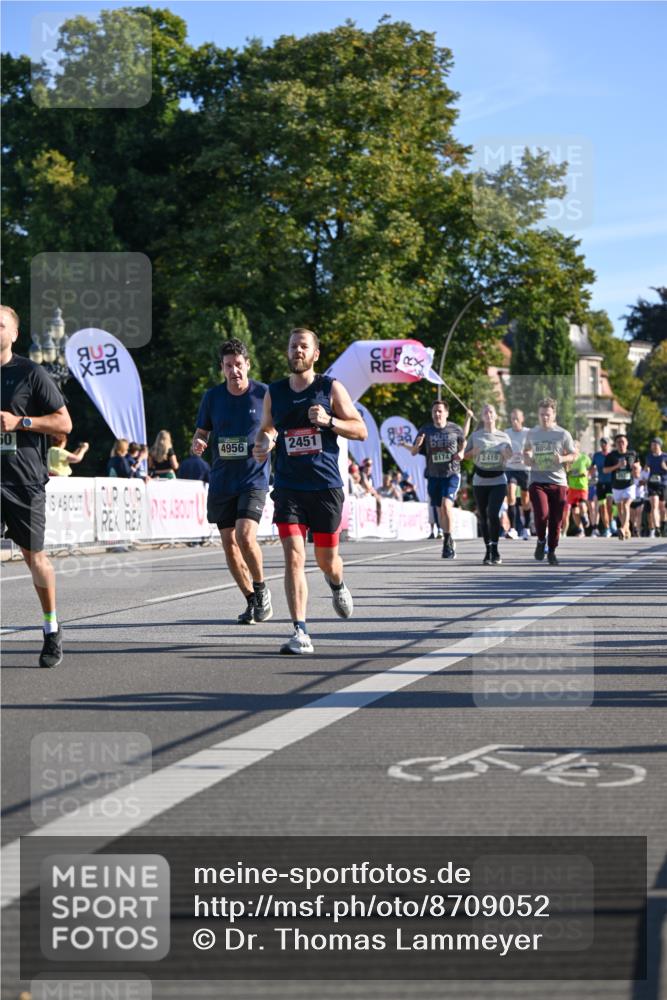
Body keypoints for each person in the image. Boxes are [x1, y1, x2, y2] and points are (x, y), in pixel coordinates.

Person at [253, 327, 367, 654]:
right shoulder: (275, 391)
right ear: (287, 352)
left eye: (304, 346)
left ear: (315, 354)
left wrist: (330, 422)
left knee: (326, 560)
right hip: (288, 486)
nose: (297, 351)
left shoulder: (330, 388)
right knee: (293, 556)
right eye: (293, 346)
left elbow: (359, 430)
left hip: (325, 487)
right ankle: (300, 631)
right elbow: (267, 429)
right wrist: (264, 443)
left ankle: (337, 583)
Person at [0, 304, 72, 668]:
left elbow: (64, 423)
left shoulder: (30, 372)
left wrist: (20, 421)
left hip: (24, 480)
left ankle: (51, 629)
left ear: (14, 333)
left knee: (34, 557)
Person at [191, 338, 272, 625]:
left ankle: (261, 589)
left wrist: (270, 440)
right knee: (229, 543)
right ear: (222, 368)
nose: (234, 370)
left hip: (253, 479)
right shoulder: (212, 397)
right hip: (222, 480)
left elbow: (273, 428)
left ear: (247, 365)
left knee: (245, 536)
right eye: (229, 366)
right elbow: (202, 432)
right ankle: (251, 599)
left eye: (239, 365)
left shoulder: (264, 394)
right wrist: (199, 443)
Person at [404, 399, 470, 559]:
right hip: (433, 476)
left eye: (440, 411)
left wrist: (461, 454)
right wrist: (417, 445)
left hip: (451, 474)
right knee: (441, 510)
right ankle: (449, 537)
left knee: (446, 506)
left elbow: (464, 442)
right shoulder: (426, 430)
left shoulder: (454, 429)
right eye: (434, 411)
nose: (437, 414)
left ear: (446, 413)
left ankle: (447, 541)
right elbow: (413, 452)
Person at [523, 397, 576, 566]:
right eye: (541, 415)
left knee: (556, 520)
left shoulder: (562, 434)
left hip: (558, 482)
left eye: (547, 414)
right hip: (538, 480)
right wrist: (528, 458)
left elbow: (575, 455)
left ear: (554, 415)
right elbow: (526, 451)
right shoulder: (532, 433)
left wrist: (562, 458)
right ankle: (540, 541)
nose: (544, 418)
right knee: (542, 514)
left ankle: (551, 550)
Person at [464, 403, 512, 565]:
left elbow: (510, 456)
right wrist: (473, 453)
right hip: (480, 481)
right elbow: (464, 456)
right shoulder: (476, 436)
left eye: (491, 412)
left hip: (498, 480)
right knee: (483, 516)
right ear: (483, 417)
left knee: (493, 514)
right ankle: (488, 550)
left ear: (496, 416)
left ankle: (496, 549)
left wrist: (507, 454)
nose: (488, 414)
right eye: (485, 412)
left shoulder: (503, 436)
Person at [604, 433, 639, 541]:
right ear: (615, 444)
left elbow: (638, 468)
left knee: (626, 505)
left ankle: (623, 528)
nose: (621, 444)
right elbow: (605, 470)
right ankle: (627, 529)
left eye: (623, 442)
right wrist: (617, 466)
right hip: (616, 486)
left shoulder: (632, 454)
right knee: (620, 508)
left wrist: (636, 468)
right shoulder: (611, 456)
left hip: (629, 485)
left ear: (627, 443)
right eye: (618, 442)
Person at [505, 408, 532, 540]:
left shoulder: (528, 432)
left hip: (525, 469)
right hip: (510, 468)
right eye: (512, 419)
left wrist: (529, 454)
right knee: (510, 494)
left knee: (525, 499)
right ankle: (513, 529)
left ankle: (526, 528)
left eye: (517, 418)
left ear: (522, 419)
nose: (514, 421)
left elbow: (534, 448)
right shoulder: (506, 433)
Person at [563, 443, 591, 537]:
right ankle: (580, 529)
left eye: (574, 447)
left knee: (582, 505)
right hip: (572, 488)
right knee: (575, 511)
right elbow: (565, 471)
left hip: (582, 487)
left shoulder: (584, 458)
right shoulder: (568, 459)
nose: (572, 449)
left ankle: (585, 516)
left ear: (578, 448)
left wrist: (588, 473)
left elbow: (591, 467)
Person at [589, 437, 613, 536]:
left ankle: (611, 523)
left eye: (605, 443)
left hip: (611, 483)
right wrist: (590, 472)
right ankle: (607, 528)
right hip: (600, 483)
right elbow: (591, 468)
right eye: (602, 443)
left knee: (609, 505)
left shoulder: (613, 455)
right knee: (602, 507)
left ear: (609, 444)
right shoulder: (597, 455)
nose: (604, 445)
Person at [644, 436, 667, 538]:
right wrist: (646, 469)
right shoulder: (649, 457)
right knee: (654, 506)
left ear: (659, 445)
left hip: (663, 485)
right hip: (652, 484)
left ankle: (663, 525)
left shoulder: (665, 456)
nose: (652, 446)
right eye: (652, 445)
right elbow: (646, 468)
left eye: (654, 444)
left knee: (663, 508)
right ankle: (657, 528)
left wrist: (665, 467)